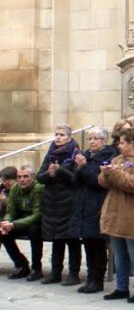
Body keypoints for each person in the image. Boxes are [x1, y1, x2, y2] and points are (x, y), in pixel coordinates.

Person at [98, 127, 134, 303]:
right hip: (115, 213)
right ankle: (121, 287)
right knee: (119, 254)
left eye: (122, 143)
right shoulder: (118, 159)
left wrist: (115, 173)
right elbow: (101, 182)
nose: (119, 146)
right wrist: (106, 173)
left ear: (132, 143)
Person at [68, 127, 118, 293]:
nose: (92, 141)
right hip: (82, 205)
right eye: (90, 138)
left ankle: (98, 280)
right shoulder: (85, 156)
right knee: (88, 243)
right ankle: (90, 278)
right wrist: (78, 169)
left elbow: (98, 181)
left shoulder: (108, 156)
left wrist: (83, 168)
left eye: (96, 138)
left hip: (98, 205)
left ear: (104, 141)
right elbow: (75, 181)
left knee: (97, 244)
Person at [36, 123, 82, 286]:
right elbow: (39, 177)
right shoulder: (50, 153)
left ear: (69, 137)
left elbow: (76, 179)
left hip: (69, 201)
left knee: (71, 239)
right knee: (57, 239)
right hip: (52, 202)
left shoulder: (76, 153)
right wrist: (49, 173)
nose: (58, 137)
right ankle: (55, 272)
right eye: (56, 134)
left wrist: (60, 171)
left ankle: (74, 273)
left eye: (62, 135)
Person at [1, 165, 44, 281]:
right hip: (20, 222)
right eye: (19, 177)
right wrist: (7, 223)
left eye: (26, 176)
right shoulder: (15, 188)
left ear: (33, 178)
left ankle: (36, 268)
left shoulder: (38, 188)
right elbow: (10, 211)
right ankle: (21, 265)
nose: (22, 180)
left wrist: (14, 224)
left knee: (34, 230)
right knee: (4, 232)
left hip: (38, 222)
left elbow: (37, 214)